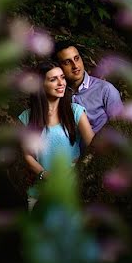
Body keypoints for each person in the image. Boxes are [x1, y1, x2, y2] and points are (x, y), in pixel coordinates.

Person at [19, 62, 94, 210]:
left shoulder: (76, 112)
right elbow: (27, 156)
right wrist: (45, 175)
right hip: (40, 193)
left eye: (62, 77)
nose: (61, 83)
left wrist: (76, 163)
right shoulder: (26, 118)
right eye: (53, 79)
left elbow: (94, 146)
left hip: (71, 191)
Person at [55, 41, 123, 135]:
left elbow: (121, 128)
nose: (75, 66)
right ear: (58, 67)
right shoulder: (56, 93)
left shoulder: (106, 90)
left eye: (77, 58)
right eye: (67, 62)